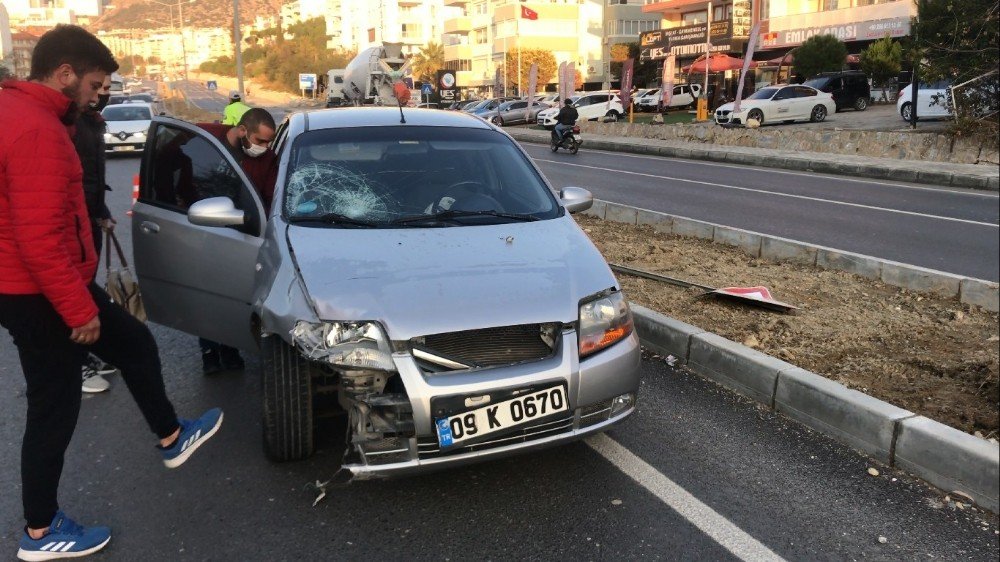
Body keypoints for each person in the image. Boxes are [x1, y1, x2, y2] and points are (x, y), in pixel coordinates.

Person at [0, 25, 224, 562]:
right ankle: (40, 531)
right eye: (95, 83)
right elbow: (38, 237)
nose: (100, 93)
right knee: (54, 407)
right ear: (64, 74)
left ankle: (171, 436)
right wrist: (78, 311)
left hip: (33, 285)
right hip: (40, 289)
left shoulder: (20, 113)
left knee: (135, 343)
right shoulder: (37, 130)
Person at [195, 108, 278, 375]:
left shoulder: (268, 159)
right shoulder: (208, 141)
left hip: (243, 232)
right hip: (204, 226)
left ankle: (230, 347)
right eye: (260, 141)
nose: (264, 147)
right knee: (206, 294)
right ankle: (209, 351)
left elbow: (269, 198)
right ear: (243, 131)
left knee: (234, 293)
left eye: (269, 142)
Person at [72, 74, 118, 394]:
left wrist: (101, 211)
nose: (102, 94)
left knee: (86, 287)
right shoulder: (71, 123)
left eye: (107, 89)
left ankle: (86, 354)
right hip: (74, 222)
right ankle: (76, 365)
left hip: (89, 217)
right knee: (74, 292)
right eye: (98, 87)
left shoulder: (92, 121)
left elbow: (92, 177)